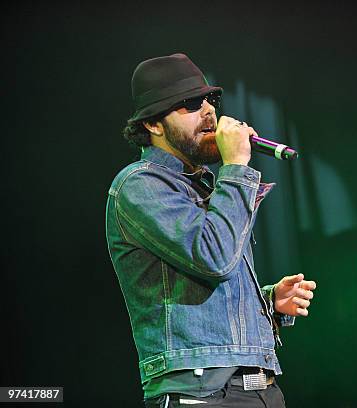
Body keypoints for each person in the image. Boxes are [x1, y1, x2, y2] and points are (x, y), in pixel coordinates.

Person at [106, 53, 316, 408]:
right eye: (190, 104)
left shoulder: (205, 186)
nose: (209, 112)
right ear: (154, 125)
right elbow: (213, 259)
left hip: (258, 385)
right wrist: (236, 166)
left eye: (210, 100)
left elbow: (209, 282)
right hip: (201, 390)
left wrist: (267, 303)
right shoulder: (139, 185)